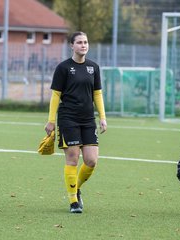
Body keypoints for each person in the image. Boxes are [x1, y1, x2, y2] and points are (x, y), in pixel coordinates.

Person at [44, 31, 107, 213]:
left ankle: (76, 188)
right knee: (72, 159)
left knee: (91, 160)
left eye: (85, 42)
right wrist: (51, 121)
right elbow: (56, 95)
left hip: (88, 119)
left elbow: (97, 94)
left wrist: (102, 117)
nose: (83, 45)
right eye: (79, 42)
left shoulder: (93, 67)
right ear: (72, 45)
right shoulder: (63, 68)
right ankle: (73, 202)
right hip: (68, 118)